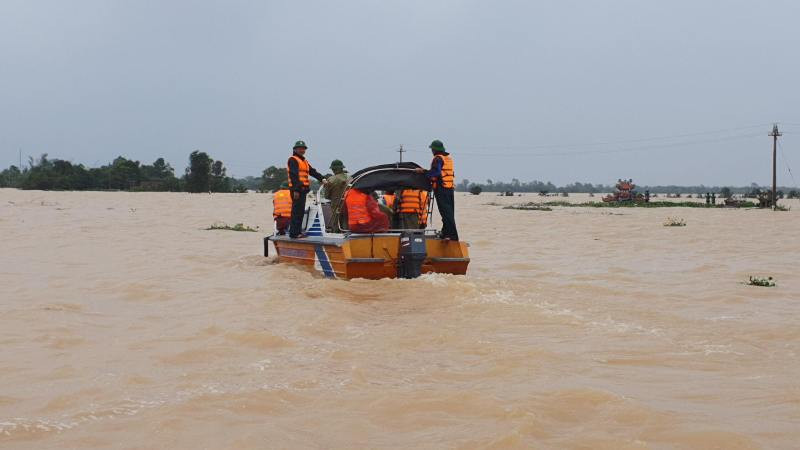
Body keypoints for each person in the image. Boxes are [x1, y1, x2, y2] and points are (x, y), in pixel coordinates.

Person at [415, 139, 458, 240]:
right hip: (449, 188)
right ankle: (446, 232)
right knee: (449, 212)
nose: (432, 151)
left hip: (442, 188)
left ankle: (451, 235)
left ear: (434, 150)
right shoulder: (448, 158)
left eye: (432, 149)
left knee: (445, 212)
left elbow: (436, 172)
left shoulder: (437, 159)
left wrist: (423, 172)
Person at [286, 140, 327, 238]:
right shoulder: (293, 160)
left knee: (300, 212)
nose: (302, 150)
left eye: (303, 149)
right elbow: (294, 175)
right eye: (300, 148)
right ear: (295, 150)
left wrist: (322, 178)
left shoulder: (304, 161)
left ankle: (297, 232)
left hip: (303, 190)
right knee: (297, 212)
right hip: (297, 190)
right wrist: (296, 190)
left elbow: (312, 171)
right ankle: (294, 233)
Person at [323, 159, 349, 232]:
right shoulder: (350, 178)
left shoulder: (331, 180)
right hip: (349, 204)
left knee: (336, 222)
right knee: (346, 220)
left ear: (333, 169)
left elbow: (326, 196)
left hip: (336, 205)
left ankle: (336, 233)